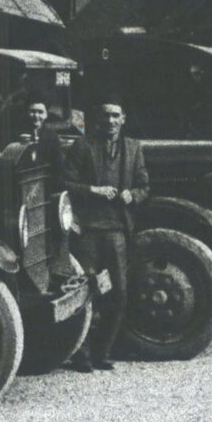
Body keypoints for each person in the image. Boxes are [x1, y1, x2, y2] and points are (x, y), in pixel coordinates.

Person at [62, 96, 149, 371]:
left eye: (115, 116)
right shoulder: (82, 145)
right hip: (88, 230)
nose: (110, 121)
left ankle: (103, 352)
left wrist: (132, 195)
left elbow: (145, 186)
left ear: (123, 119)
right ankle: (82, 354)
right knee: (88, 290)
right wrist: (92, 190)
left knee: (119, 292)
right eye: (106, 116)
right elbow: (65, 183)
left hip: (117, 231)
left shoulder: (134, 149)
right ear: (98, 120)